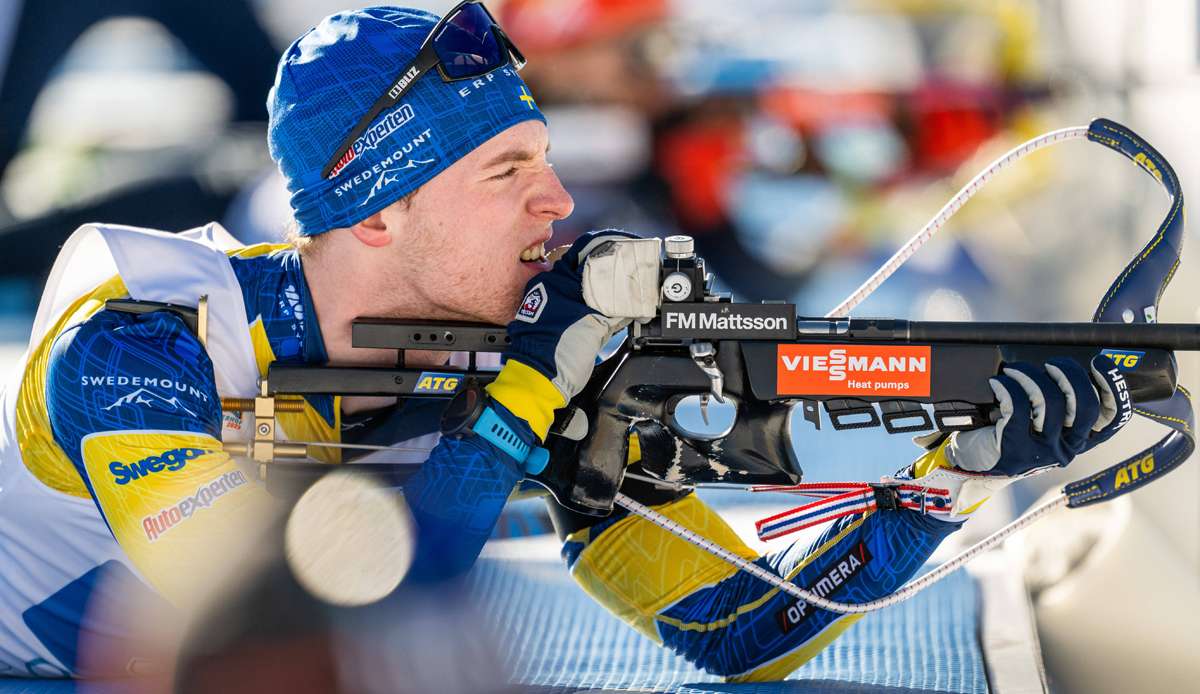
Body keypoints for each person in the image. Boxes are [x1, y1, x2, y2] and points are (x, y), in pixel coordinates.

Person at [0, 2, 1130, 682]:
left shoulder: (507, 362)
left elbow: (734, 627)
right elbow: (301, 637)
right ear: (377, 212)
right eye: (507, 172)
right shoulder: (138, 346)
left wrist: (933, 484)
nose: (557, 203)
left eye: (545, 161)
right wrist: (526, 393)